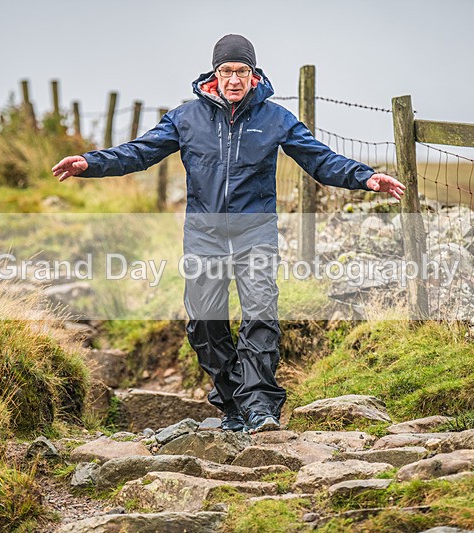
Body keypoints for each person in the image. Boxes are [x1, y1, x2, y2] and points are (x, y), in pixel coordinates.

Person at [52, 34, 405, 433]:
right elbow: (140, 152)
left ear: (254, 76)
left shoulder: (276, 119)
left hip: (255, 232)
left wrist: (366, 177)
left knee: (260, 316)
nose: (234, 79)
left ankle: (260, 407)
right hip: (204, 236)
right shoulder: (186, 118)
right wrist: (90, 162)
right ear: (214, 74)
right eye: (227, 71)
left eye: (242, 71)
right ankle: (234, 401)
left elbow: (319, 159)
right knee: (204, 323)